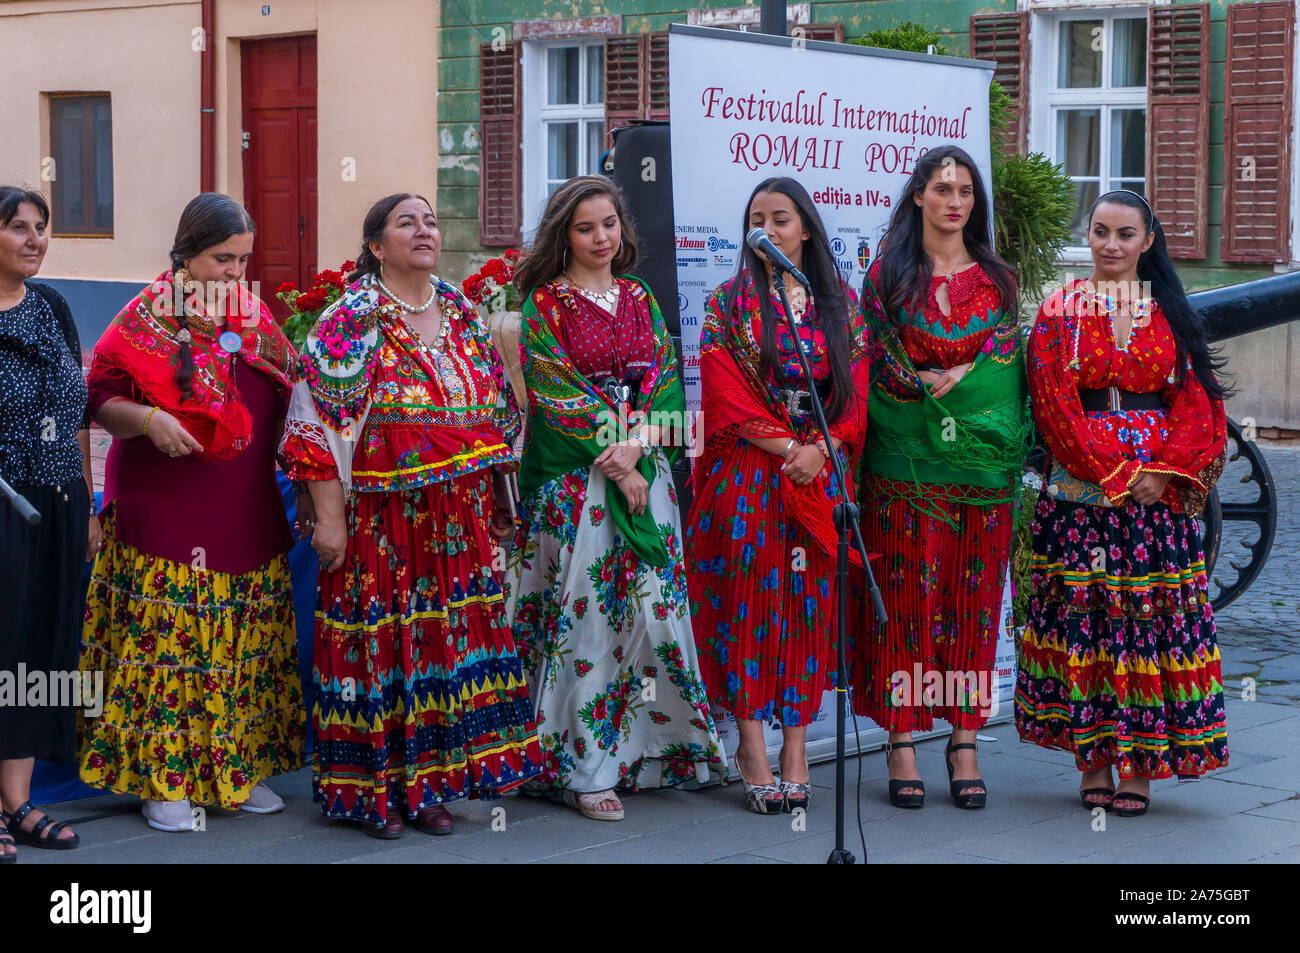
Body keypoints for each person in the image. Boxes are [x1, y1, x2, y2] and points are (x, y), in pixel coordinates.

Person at [283, 193, 542, 838]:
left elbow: (495, 412)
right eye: (407, 223)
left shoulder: (460, 310)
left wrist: (500, 498)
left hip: (456, 519)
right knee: (380, 646)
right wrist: (329, 519)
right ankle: (373, 792)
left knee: (443, 648)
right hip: (380, 521)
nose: (424, 230)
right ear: (376, 246)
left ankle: (430, 786)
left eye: (429, 221)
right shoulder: (350, 318)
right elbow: (314, 426)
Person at [79, 193, 306, 832]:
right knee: (171, 642)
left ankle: (237, 769)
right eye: (221, 259)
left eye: (243, 260)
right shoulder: (145, 319)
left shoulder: (251, 314)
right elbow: (99, 401)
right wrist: (150, 419)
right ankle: (164, 779)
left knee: (241, 636)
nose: (234, 272)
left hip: (243, 500)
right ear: (185, 254)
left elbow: (289, 387)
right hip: (167, 501)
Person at [506, 175, 724, 822]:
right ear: (563, 236)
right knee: (589, 622)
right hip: (576, 488)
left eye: (609, 223)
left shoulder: (639, 297)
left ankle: (652, 751)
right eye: (585, 227)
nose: (602, 237)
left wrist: (635, 450)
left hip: (642, 474)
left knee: (652, 614)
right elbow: (557, 395)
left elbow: (665, 384)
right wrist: (619, 459)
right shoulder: (546, 305)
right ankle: (583, 767)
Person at [1016, 190, 1229, 816]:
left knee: (1145, 628)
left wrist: (1163, 474)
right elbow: (1052, 404)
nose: (1111, 245)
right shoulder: (1058, 310)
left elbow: (1199, 404)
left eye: (1125, 234)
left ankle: (1140, 765)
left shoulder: (1171, 313)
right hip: (1082, 496)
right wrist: (1111, 472)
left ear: (1147, 241)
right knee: (1088, 624)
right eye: (1100, 231)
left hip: (1155, 499)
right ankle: (1095, 761)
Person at [684, 176, 869, 815]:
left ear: (807, 229)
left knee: (808, 606)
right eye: (756, 220)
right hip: (752, 472)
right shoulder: (728, 302)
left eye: (780, 218)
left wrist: (824, 447)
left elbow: (855, 392)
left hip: (819, 473)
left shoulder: (839, 303)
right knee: (750, 603)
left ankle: (797, 748)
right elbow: (724, 395)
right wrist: (792, 450)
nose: (766, 230)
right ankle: (751, 746)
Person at [852, 145, 1029, 810]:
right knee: (906, 601)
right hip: (905, 469)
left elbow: (1008, 362)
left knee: (972, 603)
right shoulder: (888, 276)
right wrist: (922, 383)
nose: (955, 201)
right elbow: (873, 355)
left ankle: (964, 740)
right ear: (919, 196)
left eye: (965, 191)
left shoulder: (999, 278)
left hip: (979, 473)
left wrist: (965, 376)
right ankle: (900, 738)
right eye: (943, 189)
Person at [0, 186, 98, 858]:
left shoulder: (54, 306)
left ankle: (18, 801)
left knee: (39, 653)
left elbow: (79, 412)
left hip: (58, 502)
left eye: (41, 227)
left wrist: (85, 504)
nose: (35, 239)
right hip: (4, 502)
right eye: (18, 227)